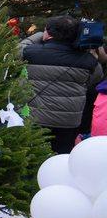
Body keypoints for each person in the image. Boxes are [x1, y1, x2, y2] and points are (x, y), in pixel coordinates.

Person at [20, 16, 103, 153]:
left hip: (35, 117)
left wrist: (40, 34)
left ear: (48, 33)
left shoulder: (31, 52)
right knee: (62, 155)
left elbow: (18, 48)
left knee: (31, 155)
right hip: (69, 122)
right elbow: (95, 78)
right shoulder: (88, 61)